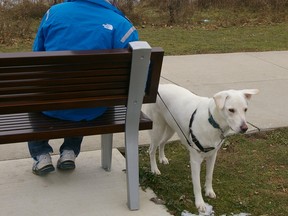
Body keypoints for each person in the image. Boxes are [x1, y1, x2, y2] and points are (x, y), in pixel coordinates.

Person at [30, 0, 139, 176]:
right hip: (93, 108)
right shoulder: (121, 23)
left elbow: (37, 54)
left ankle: (41, 154)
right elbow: (140, 69)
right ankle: (69, 152)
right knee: (83, 97)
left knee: (34, 100)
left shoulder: (54, 13)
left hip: (49, 105)